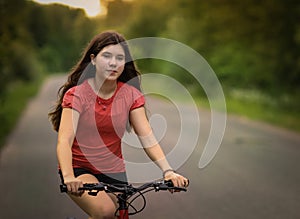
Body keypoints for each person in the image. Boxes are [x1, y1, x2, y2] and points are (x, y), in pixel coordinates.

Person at [48, 31, 189, 219]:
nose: (113, 63)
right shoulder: (77, 95)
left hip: (114, 171)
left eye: (120, 58)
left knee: (119, 214)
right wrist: (68, 176)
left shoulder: (130, 95)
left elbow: (147, 137)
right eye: (107, 56)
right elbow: (64, 140)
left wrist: (168, 171)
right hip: (80, 169)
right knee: (105, 212)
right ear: (93, 59)